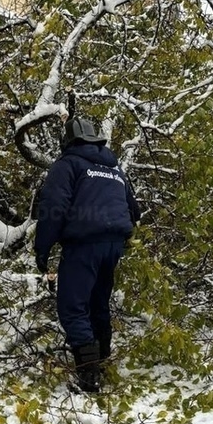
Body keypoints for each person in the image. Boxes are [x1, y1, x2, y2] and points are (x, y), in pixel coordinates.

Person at [34, 116, 140, 393]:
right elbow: (134, 210)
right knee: (98, 304)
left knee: (72, 307)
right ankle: (102, 361)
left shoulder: (68, 165)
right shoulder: (115, 170)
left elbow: (54, 206)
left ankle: (88, 376)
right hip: (114, 245)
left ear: (68, 142)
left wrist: (42, 249)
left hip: (84, 246)